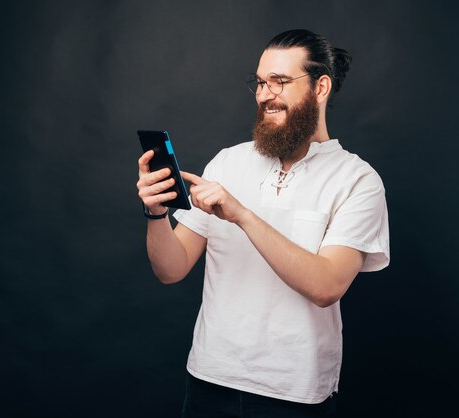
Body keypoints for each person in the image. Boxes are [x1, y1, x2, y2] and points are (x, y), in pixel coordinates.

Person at [136, 29, 389, 418]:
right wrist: (156, 213)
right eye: (260, 82)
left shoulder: (357, 180)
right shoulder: (227, 162)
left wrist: (243, 216)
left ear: (321, 87)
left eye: (281, 82)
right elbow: (171, 269)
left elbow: (326, 286)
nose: (265, 94)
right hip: (208, 379)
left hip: (294, 395)